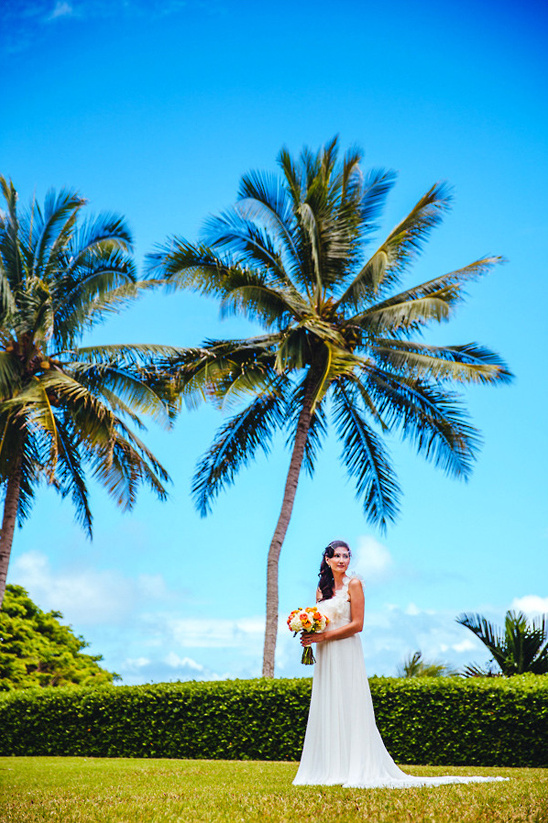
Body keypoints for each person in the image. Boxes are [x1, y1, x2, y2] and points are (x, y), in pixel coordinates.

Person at [292, 539, 507, 789]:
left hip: (346, 649)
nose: (342, 560)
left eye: (346, 556)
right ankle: (330, 767)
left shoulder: (355, 584)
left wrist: (323, 636)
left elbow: (358, 625)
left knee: (349, 702)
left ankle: (354, 766)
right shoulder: (321, 589)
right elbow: (321, 620)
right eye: (337, 556)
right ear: (327, 560)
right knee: (328, 702)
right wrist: (309, 633)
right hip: (326, 653)